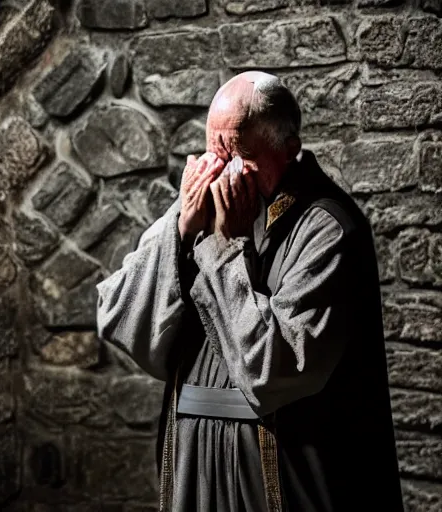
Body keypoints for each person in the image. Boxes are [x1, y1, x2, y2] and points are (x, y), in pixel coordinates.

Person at [96, 71, 404, 512]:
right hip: (194, 469)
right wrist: (182, 229)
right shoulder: (203, 202)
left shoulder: (329, 229)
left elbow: (275, 369)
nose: (223, 172)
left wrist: (224, 248)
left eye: (240, 154)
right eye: (213, 152)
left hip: (286, 473)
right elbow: (118, 313)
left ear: (289, 150)